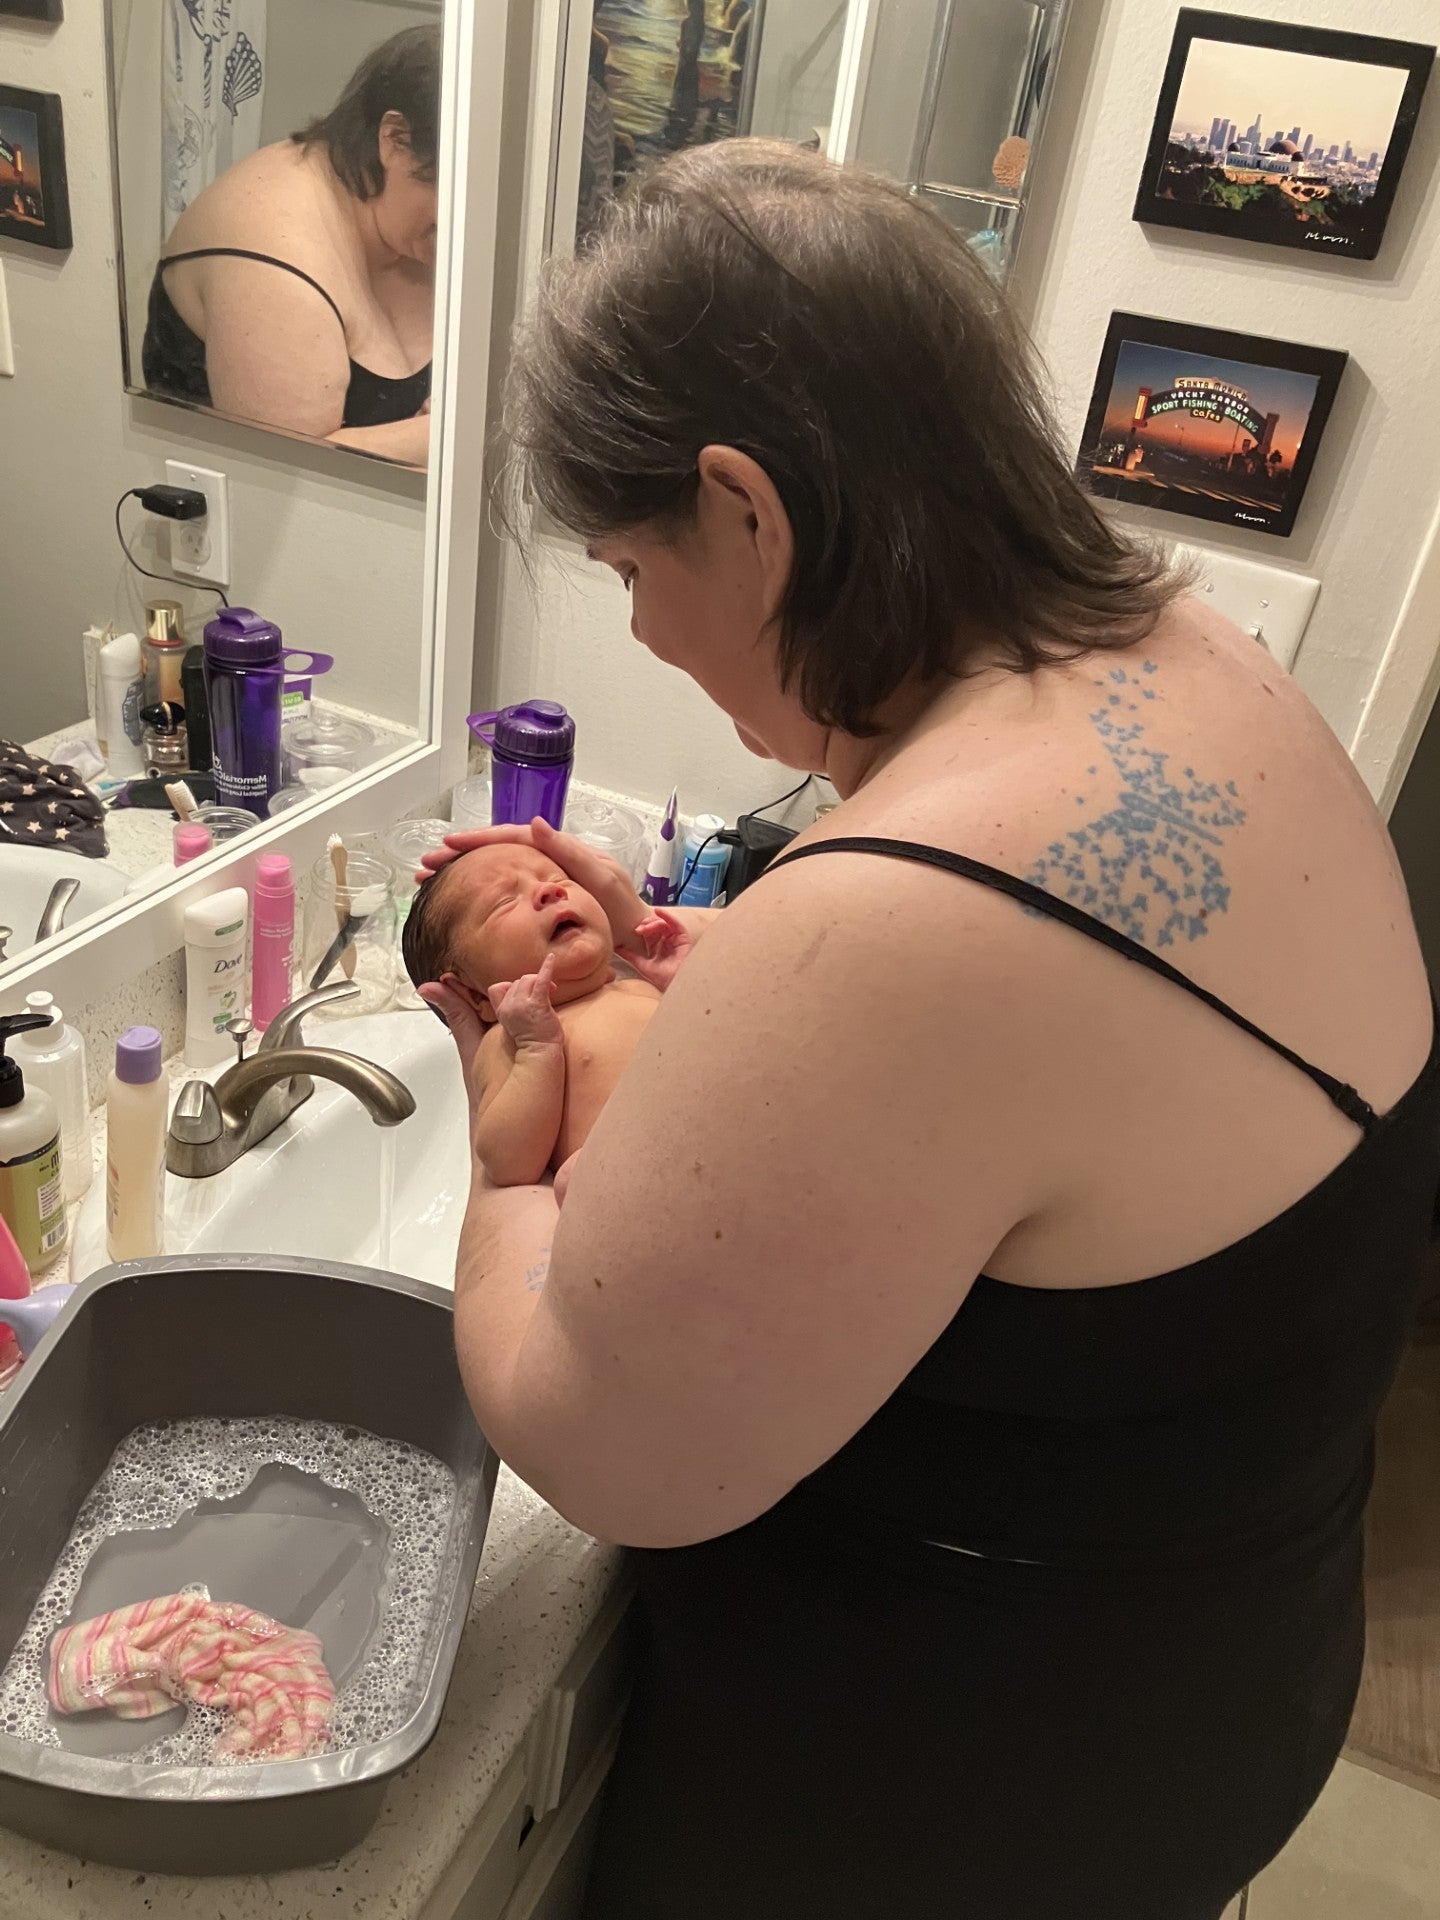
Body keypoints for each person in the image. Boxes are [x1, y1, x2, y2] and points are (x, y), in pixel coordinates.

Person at [415, 141, 1439, 1919]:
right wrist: (681, 940)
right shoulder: (1191, 651)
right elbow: (1058, 1023)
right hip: (1218, 1670)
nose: (646, 627)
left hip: (949, 1806)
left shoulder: (899, 925)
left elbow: (603, 1450)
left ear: (747, 506)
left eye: (636, 567)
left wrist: (504, 1173)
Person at [142, 26, 439, 467]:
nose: (464, 226)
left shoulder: (409, 223)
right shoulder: (274, 260)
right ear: (394, 139)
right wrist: (444, 432)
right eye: (454, 191)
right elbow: (293, 479)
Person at [400, 841, 689, 1188]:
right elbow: (507, 1164)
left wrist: (688, 980)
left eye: (559, 878)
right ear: (473, 993)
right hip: (650, 1191)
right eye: (504, 901)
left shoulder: (638, 986)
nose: (548, 890)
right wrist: (538, 1049)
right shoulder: (510, 1044)